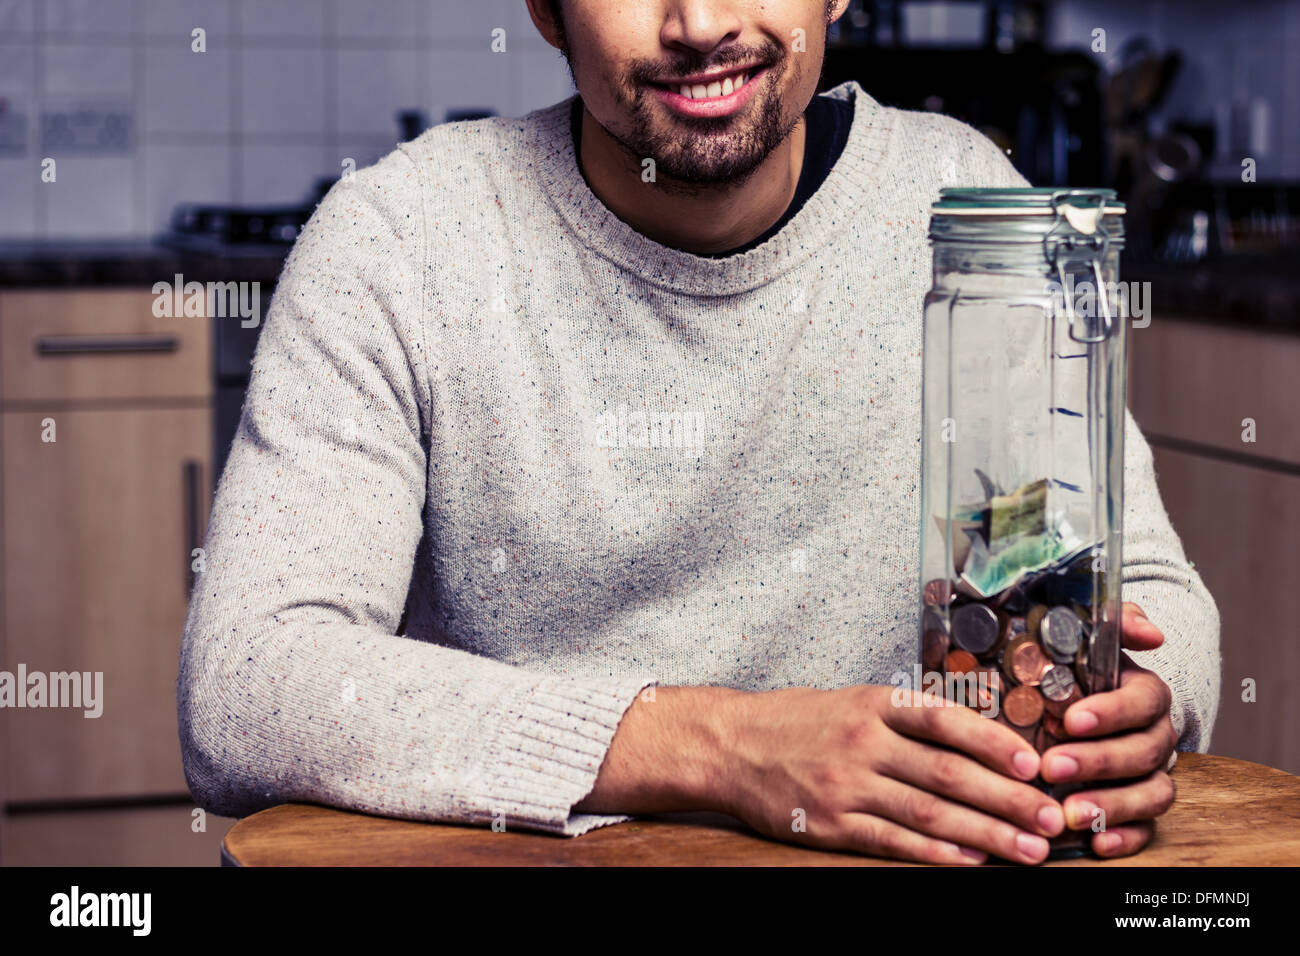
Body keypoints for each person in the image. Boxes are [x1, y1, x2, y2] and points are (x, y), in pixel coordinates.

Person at [178, 0, 1220, 865]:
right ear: (543, 9)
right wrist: (727, 747)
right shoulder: (399, 241)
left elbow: (1158, 598)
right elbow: (248, 682)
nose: (700, 22)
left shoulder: (967, 207)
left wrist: (1139, 708)